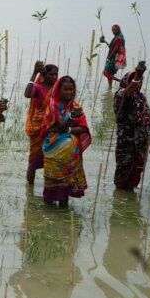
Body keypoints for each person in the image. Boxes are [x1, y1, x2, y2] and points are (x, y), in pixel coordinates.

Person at [40, 76, 90, 207]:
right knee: (51, 186)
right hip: (53, 152)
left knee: (66, 188)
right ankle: (48, 216)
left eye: (71, 89)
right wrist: (71, 119)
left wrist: (68, 130)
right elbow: (60, 126)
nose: (68, 92)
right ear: (59, 90)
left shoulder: (76, 106)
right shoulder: (53, 105)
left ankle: (64, 213)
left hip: (71, 157)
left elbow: (83, 128)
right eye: (65, 89)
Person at [113, 66, 150, 190]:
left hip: (141, 142)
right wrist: (137, 75)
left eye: (141, 81)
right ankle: (120, 196)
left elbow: (146, 121)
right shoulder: (121, 94)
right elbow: (127, 92)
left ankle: (130, 193)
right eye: (136, 81)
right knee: (123, 171)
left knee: (136, 171)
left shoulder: (141, 97)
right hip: (127, 142)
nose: (138, 83)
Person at [23, 61, 58, 184]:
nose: (54, 77)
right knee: (33, 161)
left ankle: (50, 186)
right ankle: (30, 189)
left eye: (56, 74)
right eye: (51, 74)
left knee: (52, 160)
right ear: (44, 75)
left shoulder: (58, 88)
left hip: (53, 127)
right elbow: (27, 94)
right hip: (38, 127)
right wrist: (34, 73)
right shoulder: (37, 87)